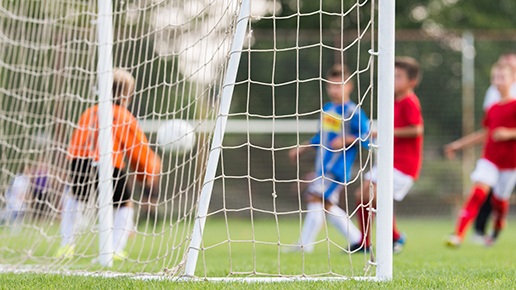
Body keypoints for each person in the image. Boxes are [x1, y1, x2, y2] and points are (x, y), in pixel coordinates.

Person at [56, 69, 162, 259]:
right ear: (127, 95)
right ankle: (114, 248)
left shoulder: (90, 112)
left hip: (80, 161)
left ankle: (66, 245)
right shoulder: (123, 116)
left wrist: (73, 165)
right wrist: (146, 174)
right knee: (124, 204)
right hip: (109, 163)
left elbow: (76, 142)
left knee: (75, 197)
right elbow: (138, 151)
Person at [286, 64, 370, 253]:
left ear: (349, 86)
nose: (334, 89)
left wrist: (347, 139)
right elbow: (322, 137)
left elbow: (367, 136)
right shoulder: (328, 109)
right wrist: (304, 147)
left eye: (339, 85)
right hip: (322, 165)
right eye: (331, 85)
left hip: (338, 167)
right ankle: (360, 241)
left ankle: (304, 245)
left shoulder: (353, 111)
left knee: (315, 198)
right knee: (326, 205)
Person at [354, 56, 424, 254]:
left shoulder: (410, 101)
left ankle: (394, 237)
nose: (393, 79)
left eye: (398, 76)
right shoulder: (395, 103)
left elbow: (416, 130)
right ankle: (365, 242)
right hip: (389, 161)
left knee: (374, 194)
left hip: (404, 164)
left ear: (412, 82)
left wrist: (385, 132)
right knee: (362, 194)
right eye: (392, 75)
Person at [446, 62, 516, 247]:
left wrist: (509, 133)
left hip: (511, 163)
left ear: (512, 79)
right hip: (490, 158)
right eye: (495, 77)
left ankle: (498, 226)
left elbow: (505, 132)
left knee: (499, 202)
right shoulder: (492, 108)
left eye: (502, 77)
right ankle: (457, 235)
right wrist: (458, 145)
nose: (498, 81)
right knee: (477, 192)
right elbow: (485, 133)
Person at [470, 53, 516, 242]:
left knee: (500, 196)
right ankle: (479, 231)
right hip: (498, 153)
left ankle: (495, 228)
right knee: (487, 190)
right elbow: (490, 123)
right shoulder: (493, 93)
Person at [1, 164, 30, 233]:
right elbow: (19, 191)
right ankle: (14, 229)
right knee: (13, 215)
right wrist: (23, 198)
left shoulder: (20, 178)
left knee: (16, 215)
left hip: (15, 200)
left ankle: (15, 229)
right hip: (15, 201)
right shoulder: (21, 179)